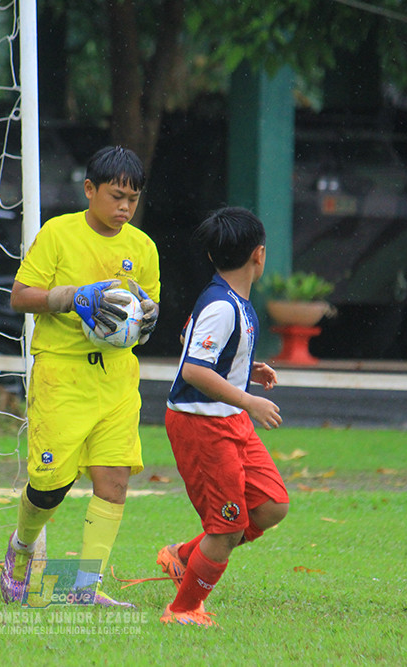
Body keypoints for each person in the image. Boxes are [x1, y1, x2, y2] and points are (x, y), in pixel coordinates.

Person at [0, 146, 160, 607]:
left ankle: (84, 588)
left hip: (116, 380)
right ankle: (22, 548)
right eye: (115, 196)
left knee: (114, 481)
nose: (124, 208)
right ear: (89, 190)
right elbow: (20, 296)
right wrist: (71, 296)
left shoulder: (143, 248)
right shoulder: (58, 234)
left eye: (132, 198)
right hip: (62, 376)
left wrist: (147, 318)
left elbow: (145, 311)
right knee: (50, 487)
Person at [156, 206, 289, 627]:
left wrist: (244, 370)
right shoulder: (223, 305)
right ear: (260, 255)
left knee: (270, 506)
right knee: (228, 527)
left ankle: (183, 556)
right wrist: (249, 399)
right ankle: (182, 610)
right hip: (202, 423)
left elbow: (191, 343)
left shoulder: (231, 300)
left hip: (229, 419)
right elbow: (194, 368)